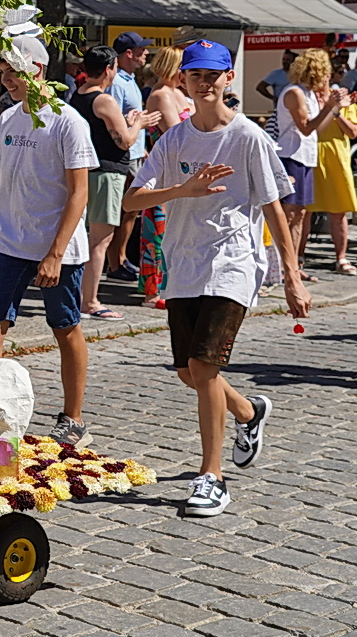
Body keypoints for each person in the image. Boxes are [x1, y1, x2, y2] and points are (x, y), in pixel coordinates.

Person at [124, 39, 311, 518]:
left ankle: (212, 477)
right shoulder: (175, 139)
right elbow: (132, 200)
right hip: (183, 265)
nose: (205, 83)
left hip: (233, 263)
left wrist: (291, 274)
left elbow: (274, 207)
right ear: (181, 80)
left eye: (214, 75)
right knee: (190, 372)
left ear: (229, 78)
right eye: (196, 75)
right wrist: (182, 189)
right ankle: (249, 412)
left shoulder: (248, 137)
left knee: (204, 369)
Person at [0, 36, 97, 446]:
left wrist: (55, 253)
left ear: (38, 70)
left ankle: (73, 417)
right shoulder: (8, 118)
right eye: (3, 72)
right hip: (10, 243)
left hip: (56, 250)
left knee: (65, 328)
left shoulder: (67, 121)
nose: (7, 79)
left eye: (14, 71)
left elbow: (79, 192)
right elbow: (1, 186)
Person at [70, 46, 160, 321]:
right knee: (101, 239)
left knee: (86, 238)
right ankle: (91, 301)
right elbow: (126, 140)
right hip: (106, 172)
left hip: (87, 171)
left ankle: (81, 298)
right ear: (109, 69)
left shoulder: (78, 95)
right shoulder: (104, 99)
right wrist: (140, 123)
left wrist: (129, 122)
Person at [275, 49, 348, 270]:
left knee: (300, 213)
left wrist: (334, 109)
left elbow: (317, 130)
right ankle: (282, 265)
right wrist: (328, 106)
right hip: (291, 155)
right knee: (290, 213)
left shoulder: (308, 94)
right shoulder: (295, 92)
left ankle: (294, 264)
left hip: (305, 156)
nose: (327, 76)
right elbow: (306, 128)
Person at [138, 46, 193, 302]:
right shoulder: (161, 95)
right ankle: (153, 289)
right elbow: (177, 131)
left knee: (175, 230)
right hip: (164, 170)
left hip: (182, 171)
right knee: (158, 230)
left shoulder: (179, 94)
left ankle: (172, 284)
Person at [312, 67, 357, 276]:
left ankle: (341, 258)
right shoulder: (307, 99)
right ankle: (298, 257)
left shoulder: (344, 99)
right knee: (303, 211)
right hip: (312, 153)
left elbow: (353, 131)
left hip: (337, 156)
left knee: (339, 211)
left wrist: (336, 111)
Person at [106, 32, 151, 283]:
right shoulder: (118, 83)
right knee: (124, 210)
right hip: (125, 153)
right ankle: (116, 261)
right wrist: (138, 124)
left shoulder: (129, 79)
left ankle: (120, 259)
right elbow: (115, 120)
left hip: (134, 151)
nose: (146, 53)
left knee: (131, 211)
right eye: (141, 49)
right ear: (128, 54)